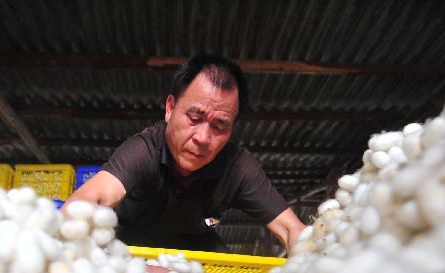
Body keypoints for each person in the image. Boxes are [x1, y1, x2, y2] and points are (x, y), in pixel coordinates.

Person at [65, 53, 306, 255]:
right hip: (130, 238)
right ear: (170, 109)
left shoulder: (238, 167)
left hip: (196, 244)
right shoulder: (145, 149)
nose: (202, 137)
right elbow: (89, 200)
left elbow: (291, 229)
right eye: (194, 118)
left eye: (219, 126)